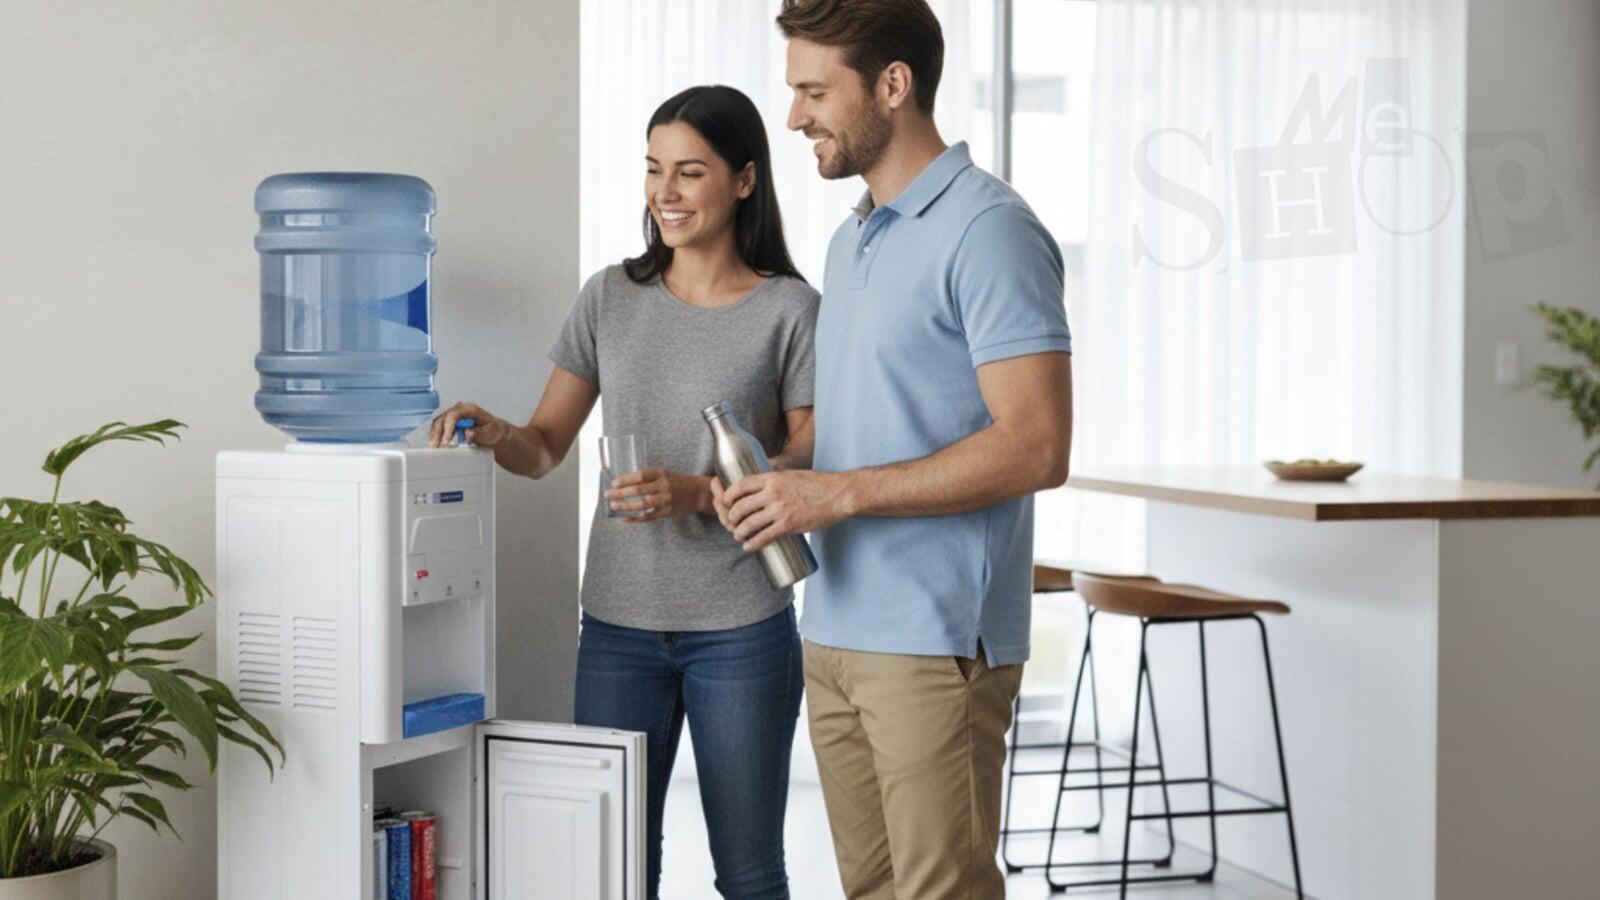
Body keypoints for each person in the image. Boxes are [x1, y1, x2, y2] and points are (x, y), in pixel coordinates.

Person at [711, 1, 1074, 897]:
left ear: (894, 85)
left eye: (813, 91)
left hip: (935, 638)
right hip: (833, 625)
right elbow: (865, 421)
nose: (795, 115)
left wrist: (834, 498)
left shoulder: (990, 231)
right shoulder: (853, 237)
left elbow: (1036, 447)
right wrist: (781, 483)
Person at [430, 84, 818, 900]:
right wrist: (496, 429)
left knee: (750, 874)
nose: (663, 195)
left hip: (742, 627)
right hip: (617, 629)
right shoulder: (611, 296)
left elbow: (810, 458)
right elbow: (544, 450)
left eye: (688, 172)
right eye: (652, 171)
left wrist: (698, 492)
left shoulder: (791, 309)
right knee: (614, 868)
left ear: (745, 180)